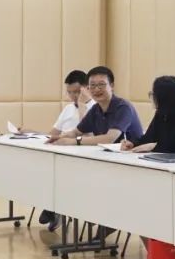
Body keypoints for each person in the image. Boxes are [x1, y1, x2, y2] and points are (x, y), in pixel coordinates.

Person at [37, 70, 93, 230]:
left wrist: (82, 106)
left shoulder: (95, 107)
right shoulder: (68, 108)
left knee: (59, 173)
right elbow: (53, 134)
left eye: (77, 92)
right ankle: (53, 207)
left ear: (86, 89)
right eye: (70, 92)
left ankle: (54, 208)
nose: (73, 96)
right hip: (61, 151)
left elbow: (88, 134)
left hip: (82, 155)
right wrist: (31, 132)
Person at [49, 66, 143, 146]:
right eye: (92, 85)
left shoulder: (123, 107)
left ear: (112, 86)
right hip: (107, 156)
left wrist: (74, 141)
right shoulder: (96, 109)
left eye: (101, 84)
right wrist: (59, 137)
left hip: (131, 157)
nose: (96, 89)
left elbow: (109, 139)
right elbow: (76, 132)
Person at [121, 76, 175, 156]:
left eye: (153, 94)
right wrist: (133, 144)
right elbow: (147, 139)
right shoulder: (160, 116)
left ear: (164, 98)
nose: (151, 97)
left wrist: (153, 147)